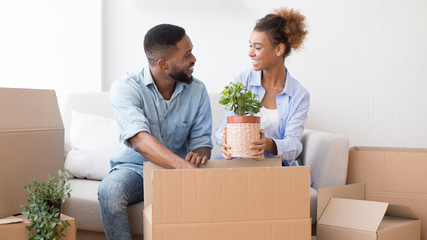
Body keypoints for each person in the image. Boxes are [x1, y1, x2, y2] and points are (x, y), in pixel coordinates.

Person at [98, 24, 213, 239]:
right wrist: (183, 167)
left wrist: (199, 156)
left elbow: (202, 141)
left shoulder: (198, 90)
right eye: (187, 55)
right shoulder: (126, 87)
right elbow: (140, 140)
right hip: (135, 170)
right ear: (163, 64)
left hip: (179, 175)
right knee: (109, 191)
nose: (194, 59)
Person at [215, 8, 310, 167]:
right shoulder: (241, 81)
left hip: (273, 168)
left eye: (257, 48)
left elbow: (294, 145)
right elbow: (222, 129)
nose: (250, 53)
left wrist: (267, 144)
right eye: (250, 46)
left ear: (279, 49)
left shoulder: (298, 95)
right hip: (239, 164)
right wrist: (224, 140)